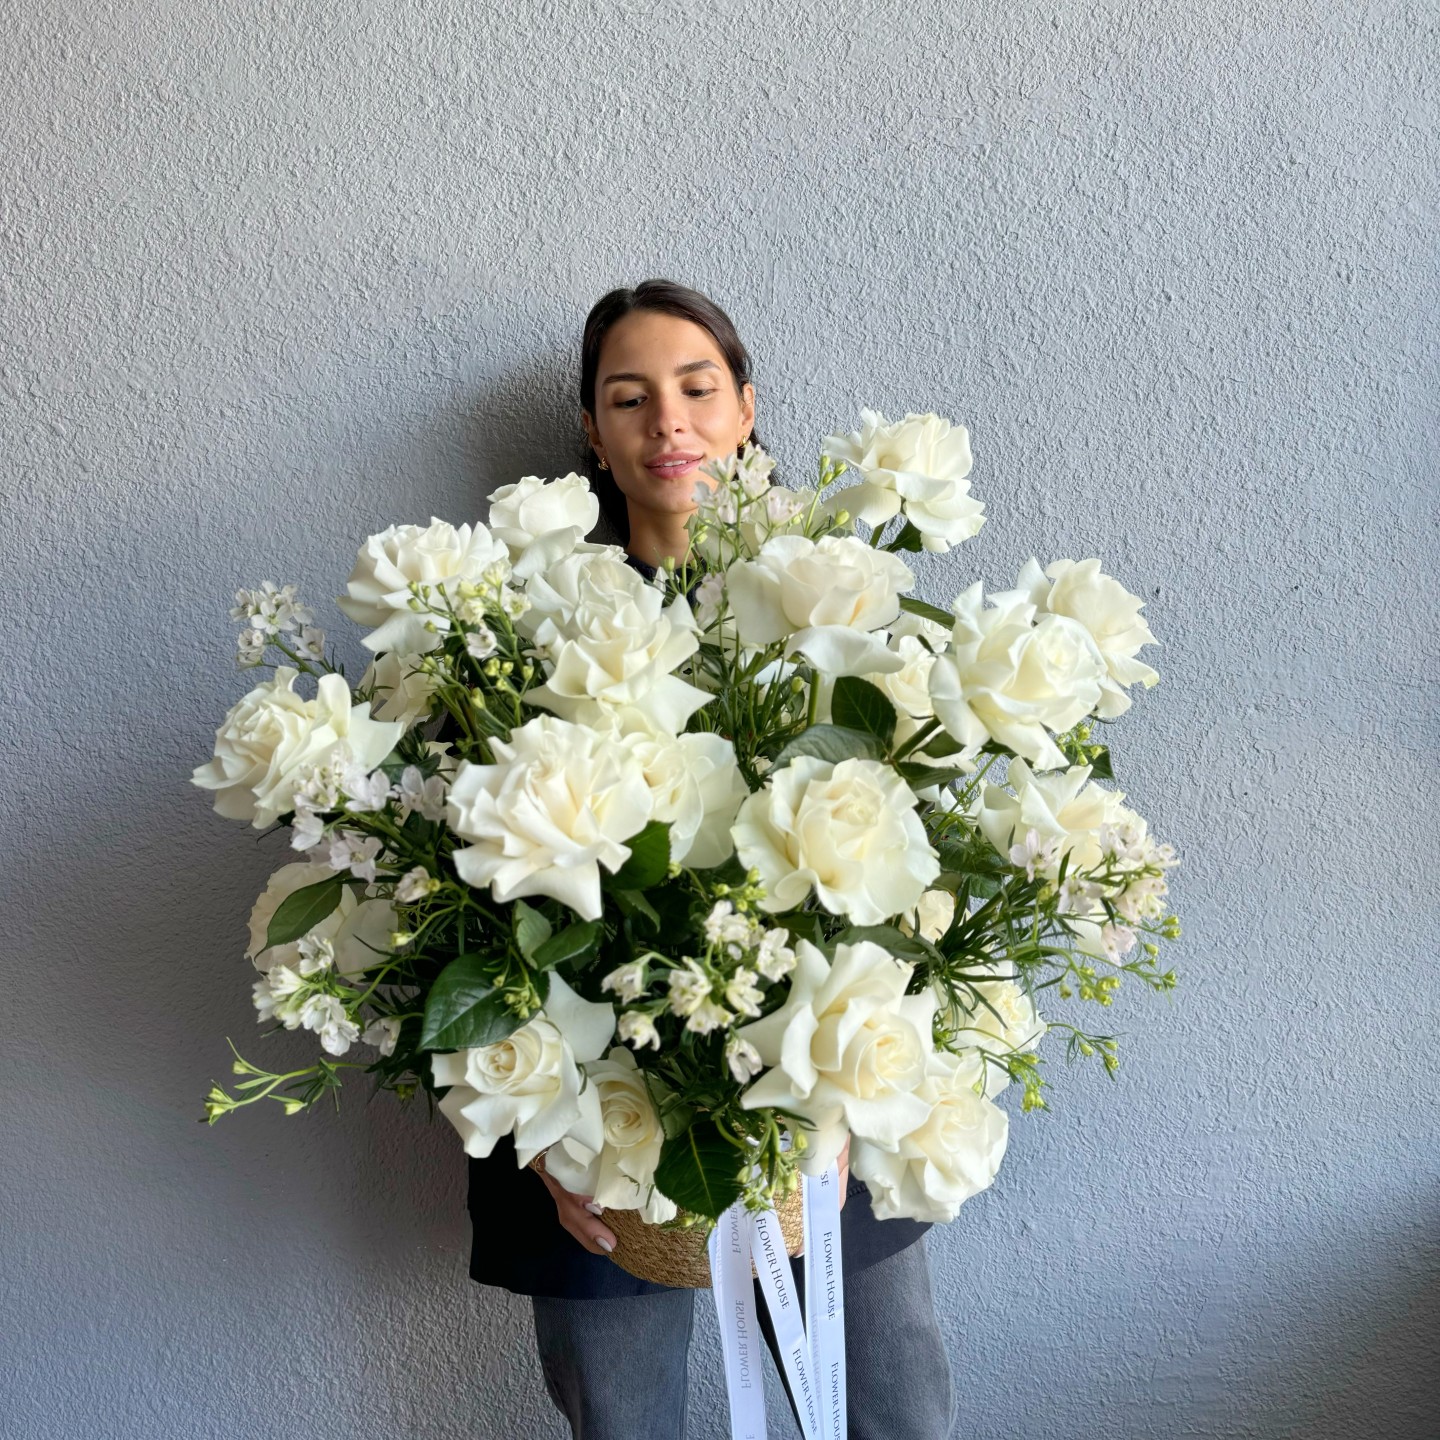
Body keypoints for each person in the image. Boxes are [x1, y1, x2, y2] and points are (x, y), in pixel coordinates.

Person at [463, 280, 957, 1439]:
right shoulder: (527, 628)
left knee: (892, 1413)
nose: (667, 423)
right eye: (629, 398)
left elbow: (923, 861)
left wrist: (841, 1099)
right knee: (622, 1422)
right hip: (596, 1131)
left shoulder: (836, 614)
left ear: (746, 407)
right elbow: (462, 898)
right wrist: (532, 1120)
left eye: (697, 389)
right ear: (593, 431)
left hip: (825, 1114)